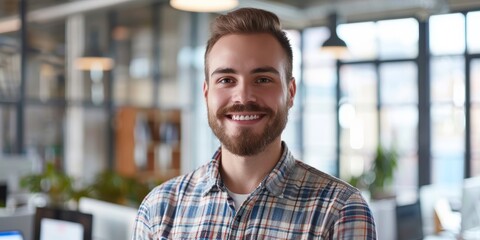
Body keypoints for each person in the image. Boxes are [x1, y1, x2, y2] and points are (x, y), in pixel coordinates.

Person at [132, 7, 376, 239]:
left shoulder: (340, 211)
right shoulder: (159, 209)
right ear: (206, 94)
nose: (243, 97)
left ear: (290, 92)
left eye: (262, 79)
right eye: (227, 79)